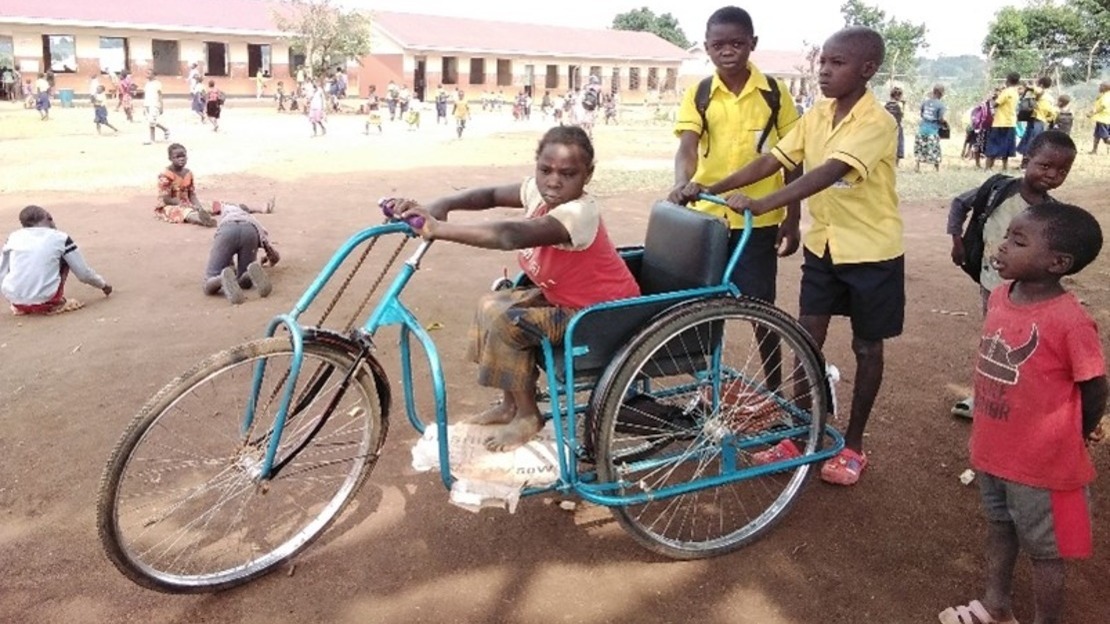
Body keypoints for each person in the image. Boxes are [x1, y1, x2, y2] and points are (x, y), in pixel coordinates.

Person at [703, 26, 902, 486]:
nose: (825, 71)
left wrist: (762, 204)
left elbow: (828, 172)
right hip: (825, 247)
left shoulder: (877, 122)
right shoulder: (816, 115)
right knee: (805, 338)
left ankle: (852, 443)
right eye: (823, 62)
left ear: (867, 70)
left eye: (837, 63)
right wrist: (709, 188)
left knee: (867, 347)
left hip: (872, 251)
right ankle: (799, 432)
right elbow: (772, 160)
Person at [393, 125, 640, 451]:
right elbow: (491, 195)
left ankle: (528, 416)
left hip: (601, 315)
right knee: (491, 304)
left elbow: (510, 235)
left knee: (508, 321)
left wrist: (439, 228)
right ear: (536, 166)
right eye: (545, 170)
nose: (554, 181)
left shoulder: (579, 213)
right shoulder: (539, 193)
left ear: (587, 176)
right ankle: (510, 404)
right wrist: (445, 202)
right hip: (566, 302)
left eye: (568, 173)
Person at [937, 201, 1107, 624]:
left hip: (1045, 468)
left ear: (1057, 263)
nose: (1002, 246)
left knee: (1048, 555)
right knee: (1000, 528)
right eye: (1006, 235)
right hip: (994, 453)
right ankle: (996, 606)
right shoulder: (999, 296)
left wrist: (1077, 437)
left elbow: (1096, 386)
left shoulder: (1071, 322)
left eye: (1018, 240)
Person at [670, 6, 802, 398]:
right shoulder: (700, 93)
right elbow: (687, 146)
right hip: (708, 219)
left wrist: (792, 219)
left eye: (737, 43)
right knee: (705, 309)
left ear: (752, 44)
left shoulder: (775, 94)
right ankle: (708, 387)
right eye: (718, 45)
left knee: (762, 310)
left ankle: (774, 391)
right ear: (707, 48)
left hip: (756, 221)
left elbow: (793, 159)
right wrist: (683, 182)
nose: (727, 51)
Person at [945, 130, 1077, 420]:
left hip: (1028, 292)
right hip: (991, 286)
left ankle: (1020, 395)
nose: (1052, 175)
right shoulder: (999, 190)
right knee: (993, 339)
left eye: (1062, 170)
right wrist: (957, 242)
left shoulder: (1052, 214)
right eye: (1045, 166)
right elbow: (959, 204)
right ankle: (982, 394)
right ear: (1026, 161)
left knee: (1025, 343)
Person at [1, 205, 112, 316]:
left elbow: (2, 270)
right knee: (65, 256)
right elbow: (83, 274)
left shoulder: (13, 237)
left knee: (20, 258)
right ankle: (53, 302)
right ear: (49, 217)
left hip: (14, 298)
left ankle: (24, 302)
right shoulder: (60, 238)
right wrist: (103, 285)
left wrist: (14, 293)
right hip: (45, 299)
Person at [203, 202, 278, 305]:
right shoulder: (252, 220)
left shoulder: (226, 211)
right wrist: (270, 260)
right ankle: (247, 274)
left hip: (227, 230)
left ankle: (221, 279)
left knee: (209, 282)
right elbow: (271, 250)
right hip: (250, 231)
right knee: (243, 277)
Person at [154, 143, 219, 227]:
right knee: (185, 212)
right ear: (170, 158)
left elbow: (191, 194)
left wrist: (199, 207)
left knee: (210, 205)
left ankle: (235, 208)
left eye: (183, 156)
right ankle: (202, 220)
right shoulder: (165, 175)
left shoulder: (188, 173)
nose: (181, 159)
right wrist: (186, 205)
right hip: (171, 205)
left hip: (186, 202)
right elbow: (167, 199)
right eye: (177, 157)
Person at [1017, 76, 1057, 169]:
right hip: (1039, 120)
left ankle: (1026, 164)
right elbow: (1051, 112)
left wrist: (1029, 86)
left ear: (1041, 85)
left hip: (1037, 120)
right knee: (1030, 141)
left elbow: (1038, 90)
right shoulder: (1050, 97)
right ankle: (1025, 163)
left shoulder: (1042, 93)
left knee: (1031, 141)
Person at [985, 73, 1021, 170]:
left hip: (1000, 122)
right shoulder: (1015, 92)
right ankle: (1005, 167)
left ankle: (988, 167)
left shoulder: (1006, 92)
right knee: (1007, 146)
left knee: (993, 144)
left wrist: (991, 99)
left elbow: (996, 104)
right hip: (1011, 122)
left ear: (1008, 80)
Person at [914, 84, 947, 172]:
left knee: (920, 148)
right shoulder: (941, 105)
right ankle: (936, 168)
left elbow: (921, 114)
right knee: (935, 149)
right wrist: (944, 123)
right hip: (932, 129)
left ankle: (917, 166)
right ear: (941, 93)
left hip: (922, 128)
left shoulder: (925, 102)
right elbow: (940, 118)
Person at [143, 70, 170, 145]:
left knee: (152, 121)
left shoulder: (157, 84)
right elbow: (146, 96)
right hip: (147, 104)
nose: (147, 75)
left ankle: (163, 131)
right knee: (150, 122)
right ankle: (154, 138)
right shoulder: (147, 84)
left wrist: (161, 106)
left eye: (149, 73)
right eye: (147, 73)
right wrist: (144, 106)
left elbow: (160, 95)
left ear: (153, 75)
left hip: (154, 104)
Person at [1088, 81, 1110, 155]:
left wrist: (1094, 113)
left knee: (1105, 138)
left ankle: (1094, 150)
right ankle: (1094, 150)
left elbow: (1103, 106)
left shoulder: (1106, 97)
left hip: (1103, 119)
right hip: (1103, 119)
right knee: (1097, 135)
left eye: (1101, 86)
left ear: (1105, 88)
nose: (1099, 88)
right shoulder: (1104, 95)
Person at [884, 86, 905, 166]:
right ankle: (896, 163)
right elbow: (901, 116)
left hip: (887, 127)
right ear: (898, 96)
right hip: (897, 127)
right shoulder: (898, 105)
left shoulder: (887, 105)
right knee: (899, 143)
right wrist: (903, 105)